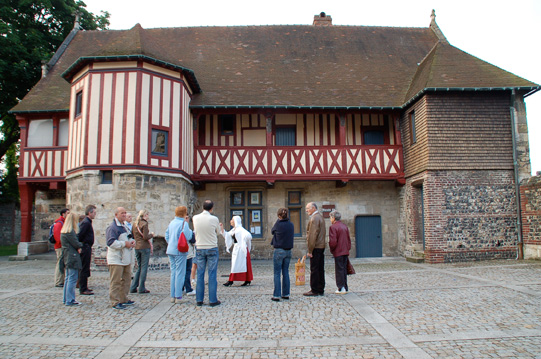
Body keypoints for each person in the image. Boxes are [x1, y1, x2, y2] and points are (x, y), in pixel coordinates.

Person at [192, 200, 222, 307]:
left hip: (200, 247)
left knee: (200, 274)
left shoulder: (195, 218)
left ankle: (199, 299)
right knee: (212, 274)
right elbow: (218, 232)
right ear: (211, 208)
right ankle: (213, 300)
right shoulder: (214, 219)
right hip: (212, 247)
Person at [106, 207, 136, 310]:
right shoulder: (113, 227)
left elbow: (129, 237)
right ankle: (115, 301)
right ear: (116, 214)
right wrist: (124, 244)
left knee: (126, 279)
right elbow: (110, 242)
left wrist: (131, 241)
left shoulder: (124, 226)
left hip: (125, 258)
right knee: (116, 281)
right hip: (116, 258)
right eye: (122, 213)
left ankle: (123, 298)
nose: (124, 215)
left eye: (125, 213)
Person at [165, 206, 192, 304]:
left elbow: (167, 235)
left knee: (173, 273)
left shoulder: (171, 222)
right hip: (180, 251)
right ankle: (178, 296)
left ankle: (172, 295)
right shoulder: (183, 223)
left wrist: (171, 243)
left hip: (170, 250)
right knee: (180, 273)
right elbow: (188, 236)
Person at [221, 216, 253, 287]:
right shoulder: (234, 230)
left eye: (232, 220)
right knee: (236, 264)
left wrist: (242, 241)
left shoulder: (240, 230)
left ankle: (231, 280)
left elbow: (248, 236)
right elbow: (227, 235)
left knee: (238, 264)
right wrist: (222, 229)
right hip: (237, 249)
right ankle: (246, 279)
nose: (231, 221)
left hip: (241, 249)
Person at [270, 208, 294, 301]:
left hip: (279, 250)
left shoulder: (278, 224)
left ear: (279, 216)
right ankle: (286, 293)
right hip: (288, 251)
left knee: (277, 273)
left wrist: (278, 220)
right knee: (285, 272)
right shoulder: (291, 225)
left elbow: (272, 231)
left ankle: (276, 295)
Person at [303, 202, 326, 297]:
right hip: (321, 246)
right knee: (320, 268)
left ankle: (315, 289)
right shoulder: (320, 217)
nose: (306, 210)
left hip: (316, 247)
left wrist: (310, 250)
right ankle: (320, 288)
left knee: (314, 269)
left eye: (308, 208)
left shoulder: (314, 218)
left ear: (313, 208)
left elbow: (312, 235)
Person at [130, 209, 155, 294]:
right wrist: (151, 235)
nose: (148, 216)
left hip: (137, 247)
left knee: (139, 267)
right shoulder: (144, 224)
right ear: (145, 215)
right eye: (147, 215)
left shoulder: (135, 224)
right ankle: (141, 287)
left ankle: (133, 287)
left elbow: (133, 235)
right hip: (144, 247)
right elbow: (145, 237)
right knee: (144, 267)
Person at [61, 212, 83, 306]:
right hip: (72, 256)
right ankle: (70, 299)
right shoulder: (70, 232)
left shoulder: (64, 232)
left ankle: (66, 298)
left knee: (68, 278)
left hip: (68, 255)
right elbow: (76, 243)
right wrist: (80, 246)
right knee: (72, 278)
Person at [328, 210, 352, 294]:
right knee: (344, 270)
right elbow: (349, 240)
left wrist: (332, 249)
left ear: (333, 218)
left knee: (339, 270)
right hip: (345, 251)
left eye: (330, 217)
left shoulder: (333, 227)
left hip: (338, 251)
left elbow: (333, 241)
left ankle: (341, 287)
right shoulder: (344, 226)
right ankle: (345, 286)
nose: (330, 219)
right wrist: (348, 248)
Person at [78, 205, 96, 296]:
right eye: (94, 213)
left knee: (86, 267)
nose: (95, 214)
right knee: (84, 268)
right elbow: (80, 235)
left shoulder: (88, 222)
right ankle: (83, 288)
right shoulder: (86, 223)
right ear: (90, 213)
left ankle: (85, 286)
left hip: (87, 246)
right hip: (85, 247)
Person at [54, 208, 70, 287]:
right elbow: (58, 238)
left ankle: (61, 280)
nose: (68, 215)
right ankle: (58, 281)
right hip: (60, 247)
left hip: (63, 246)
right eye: (67, 213)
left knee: (62, 264)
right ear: (63, 214)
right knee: (59, 263)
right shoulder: (59, 224)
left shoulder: (64, 223)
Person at [183, 226, 197, 296]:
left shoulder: (172, 224)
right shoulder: (186, 227)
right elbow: (191, 239)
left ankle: (181, 288)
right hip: (187, 251)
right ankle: (188, 288)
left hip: (177, 251)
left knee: (180, 271)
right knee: (187, 270)